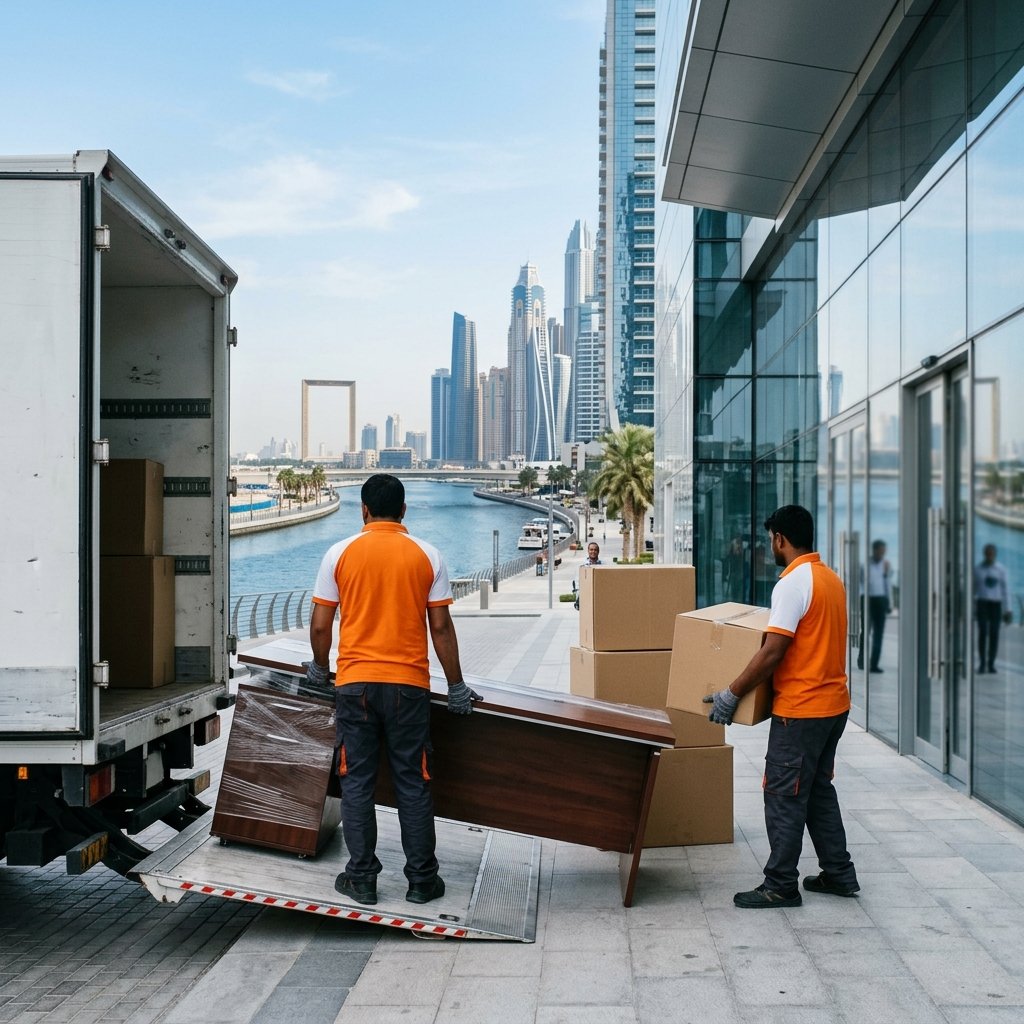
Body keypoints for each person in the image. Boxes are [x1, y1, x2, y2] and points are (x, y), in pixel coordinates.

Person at [304, 474, 480, 908]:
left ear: (363, 509)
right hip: (408, 689)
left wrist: (319, 669)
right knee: (413, 783)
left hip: (355, 687)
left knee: (358, 783)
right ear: (404, 511)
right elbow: (440, 627)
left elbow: (321, 624)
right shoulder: (428, 555)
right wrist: (456, 686)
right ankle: (422, 882)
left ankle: (361, 879)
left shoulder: (338, 554)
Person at [703, 504, 859, 909]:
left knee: (784, 795)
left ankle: (780, 885)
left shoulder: (792, 583)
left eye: (770, 539)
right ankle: (839, 874)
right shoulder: (830, 579)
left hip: (803, 710)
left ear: (780, 539)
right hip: (834, 706)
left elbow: (773, 650)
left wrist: (731, 693)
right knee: (818, 791)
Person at [975, 543, 1012, 674]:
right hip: (982, 603)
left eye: (991, 553)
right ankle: (982, 663)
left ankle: (991, 663)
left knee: (994, 634)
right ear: (984, 554)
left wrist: (1008, 609)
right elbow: (973, 589)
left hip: (996, 605)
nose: (989, 555)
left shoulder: (1001, 570)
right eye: (987, 553)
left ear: (995, 554)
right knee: (983, 632)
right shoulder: (978, 569)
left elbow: (1006, 590)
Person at [857, 539, 891, 673]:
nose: (883, 553)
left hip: (881, 599)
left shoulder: (885, 565)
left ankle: (874, 664)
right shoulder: (865, 565)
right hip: (867, 598)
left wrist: (888, 602)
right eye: (881, 550)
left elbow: (887, 583)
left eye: (884, 551)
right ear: (875, 550)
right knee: (865, 630)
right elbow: (860, 582)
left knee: (879, 633)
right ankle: (862, 661)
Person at [574, 542, 602, 610]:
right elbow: (577, 583)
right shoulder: (582, 566)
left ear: (598, 551)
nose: (593, 551)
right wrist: (579, 597)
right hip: (586, 598)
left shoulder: (604, 565)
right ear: (588, 551)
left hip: (600, 598)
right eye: (591, 549)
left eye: (595, 550)